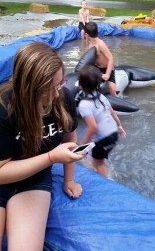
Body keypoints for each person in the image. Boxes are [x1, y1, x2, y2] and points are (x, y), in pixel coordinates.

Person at [0, 42, 85, 251]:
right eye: (50, 88)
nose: (57, 94)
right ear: (29, 89)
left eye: (60, 84)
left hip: (33, 181)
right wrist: (50, 158)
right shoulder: (4, 108)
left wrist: (69, 179)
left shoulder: (63, 98)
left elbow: (70, 135)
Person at [78, 65, 126, 177]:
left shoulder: (84, 104)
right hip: (114, 134)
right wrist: (120, 127)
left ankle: (106, 182)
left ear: (81, 85)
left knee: (98, 163)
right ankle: (102, 171)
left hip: (104, 139)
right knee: (99, 160)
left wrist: (84, 145)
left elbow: (92, 127)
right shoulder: (101, 96)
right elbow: (113, 112)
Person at [85, 21, 117, 96]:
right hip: (97, 67)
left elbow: (111, 58)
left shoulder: (100, 44)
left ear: (87, 33)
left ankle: (115, 101)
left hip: (107, 68)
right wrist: (86, 40)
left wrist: (107, 74)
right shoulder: (90, 42)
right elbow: (87, 54)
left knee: (112, 89)